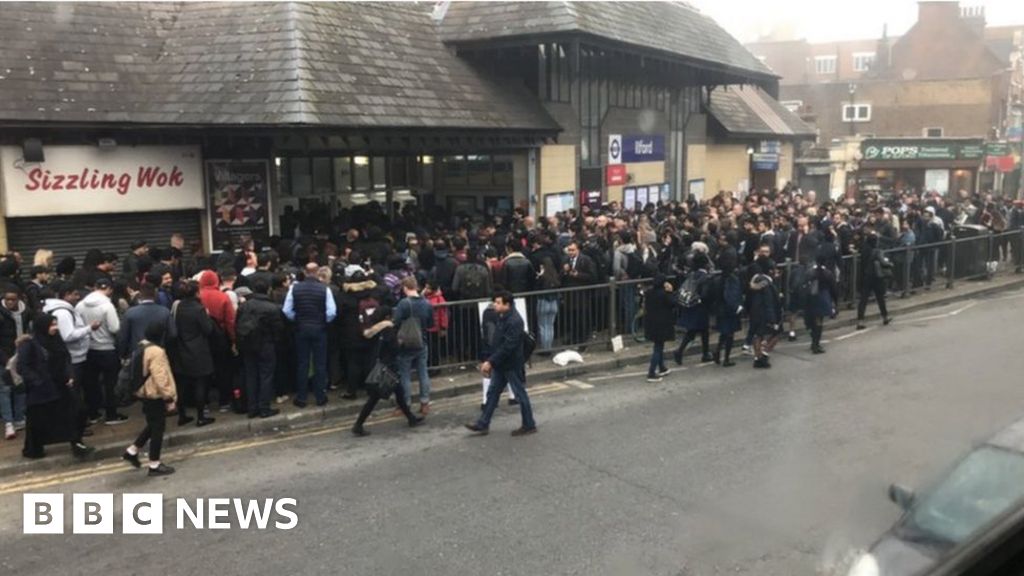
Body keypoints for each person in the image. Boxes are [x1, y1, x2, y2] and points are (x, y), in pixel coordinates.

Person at [19, 312, 94, 459]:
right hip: (42, 389)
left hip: (61, 385)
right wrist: (38, 381)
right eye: (52, 325)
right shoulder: (30, 344)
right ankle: (34, 449)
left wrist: (70, 375)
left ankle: (76, 443)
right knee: (38, 421)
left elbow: (66, 358)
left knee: (78, 411)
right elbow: (24, 368)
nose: (56, 328)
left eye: (55, 324)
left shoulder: (57, 341)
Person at [465, 291, 536, 437]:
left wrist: (490, 361)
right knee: (492, 393)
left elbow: (508, 346)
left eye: (498, 303)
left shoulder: (515, 321)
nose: (495, 305)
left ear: (507, 304)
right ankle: (483, 424)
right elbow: (497, 342)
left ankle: (529, 424)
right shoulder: (502, 316)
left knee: (520, 394)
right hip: (501, 364)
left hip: (511, 364)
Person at [351, 306, 425, 437]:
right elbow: (394, 349)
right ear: (387, 317)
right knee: (375, 397)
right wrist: (400, 343)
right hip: (388, 366)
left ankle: (411, 418)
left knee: (398, 393)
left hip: (376, 365)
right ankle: (358, 424)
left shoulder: (374, 330)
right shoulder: (388, 330)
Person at [42, 281, 98, 442]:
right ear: (66, 294)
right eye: (74, 294)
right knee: (73, 394)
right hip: (73, 358)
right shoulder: (63, 313)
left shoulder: (63, 310)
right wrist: (89, 329)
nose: (77, 297)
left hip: (75, 356)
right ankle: (76, 425)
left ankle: (78, 423)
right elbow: (68, 336)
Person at [121, 321, 177, 476]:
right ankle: (154, 464)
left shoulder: (142, 347)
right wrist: (168, 398)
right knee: (158, 428)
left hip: (144, 392)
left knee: (153, 424)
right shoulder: (157, 352)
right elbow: (160, 377)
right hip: (154, 394)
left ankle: (132, 451)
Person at [283, 262, 337, 408]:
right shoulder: (325, 289)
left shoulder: (294, 288)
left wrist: (298, 319)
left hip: (301, 329)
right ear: (318, 272)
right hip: (319, 329)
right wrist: (321, 321)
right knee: (320, 364)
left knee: (302, 364)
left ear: (305, 272)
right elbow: (331, 312)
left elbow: (287, 310)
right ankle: (320, 397)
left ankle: (301, 398)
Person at [76, 277, 127, 425]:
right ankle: (111, 414)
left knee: (91, 383)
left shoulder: (80, 305)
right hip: (107, 349)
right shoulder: (107, 305)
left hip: (88, 349)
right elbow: (115, 328)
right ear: (109, 289)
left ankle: (93, 413)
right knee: (110, 383)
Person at [236, 278, 284, 419]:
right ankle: (264, 408)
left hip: (248, 345)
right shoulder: (272, 308)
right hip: (266, 345)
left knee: (251, 376)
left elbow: (237, 324)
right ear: (267, 289)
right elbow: (278, 329)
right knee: (266, 376)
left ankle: (252, 408)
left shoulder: (244, 306)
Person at [171, 280, 216, 427]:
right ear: (197, 293)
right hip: (198, 350)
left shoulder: (178, 306)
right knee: (200, 384)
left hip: (181, 349)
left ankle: (182, 415)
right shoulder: (199, 309)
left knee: (182, 385)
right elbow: (208, 330)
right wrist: (208, 316)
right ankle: (201, 416)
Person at [198, 270, 237, 412]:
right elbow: (230, 321)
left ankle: (205, 403)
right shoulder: (223, 297)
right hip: (220, 338)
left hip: (202, 338)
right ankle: (224, 402)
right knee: (223, 370)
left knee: (204, 372)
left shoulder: (197, 297)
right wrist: (233, 339)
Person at [393, 276, 434, 414]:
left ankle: (406, 404)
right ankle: (425, 403)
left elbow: (396, 321)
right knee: (423, 372)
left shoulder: (404, 304)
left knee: (404, 375)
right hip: (422, 342)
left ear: (405, 288)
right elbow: (431, 324)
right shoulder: (427, 304)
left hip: (405, 343)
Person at [673, 251, 713, 366]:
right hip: (700, 306)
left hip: (690, 304)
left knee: (695, 330)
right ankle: (702, 353)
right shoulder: (705, 277)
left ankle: (701, 352)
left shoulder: (692, 274)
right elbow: (705, 294)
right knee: (701, 330)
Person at [479, 297, 517, 405]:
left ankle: (487, 401)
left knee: (488, 374)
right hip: (500, 348)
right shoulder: (505, 314)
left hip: (489, 348)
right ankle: (513, 396)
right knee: (509, 371)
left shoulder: (487, 312)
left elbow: (488, 332)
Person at [748, 256, 782, 369]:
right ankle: (762, 355)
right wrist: (772, 319)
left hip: (755, 311)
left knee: (758, 334)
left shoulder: (757, 280)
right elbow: (768, 301)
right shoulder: (767, 284)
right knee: (775, 333)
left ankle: (758, 357)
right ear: (770, 270)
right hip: (764, 313)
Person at [118, 284, 171, 355]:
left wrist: (122, 353)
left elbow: (123, 336)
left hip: (136, 352)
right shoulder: (165, 312)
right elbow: (172, 333)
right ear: (155, 295)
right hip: (159, 352)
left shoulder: (130, 312)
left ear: (140, 295)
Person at [857, 231, 893, 330]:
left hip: (865, 275)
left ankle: (860, 321)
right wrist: (890, 264)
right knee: (880, 297)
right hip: (876, 276)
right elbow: (883, 262)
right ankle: (885, 317)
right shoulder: (877, 251)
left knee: (863, 300)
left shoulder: (864, 249)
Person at [803, 254, 839, 354]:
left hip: (811, 298)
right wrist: (835, 302)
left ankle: (813, 337)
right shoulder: (828, 273)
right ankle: (816, 344)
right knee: (819, 322)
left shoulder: (810, 272)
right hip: (823, 298)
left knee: (811, 319)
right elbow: (833, 289)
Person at [643, 274, 676, 382]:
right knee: (658, 347)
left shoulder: (649, 293)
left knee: (659, 345)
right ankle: (651, 372)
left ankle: (662, 367)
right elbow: (673, 303)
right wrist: (670, 291)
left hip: (651, 323)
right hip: (662, 323)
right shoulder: (664, 294)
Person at [535, 256, 561, 352]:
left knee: (542, 325)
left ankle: (545, 348)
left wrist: (538, 277)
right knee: (550, 325)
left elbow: (537, 288)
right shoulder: (555, 275)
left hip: (543, 302)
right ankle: (549, 346)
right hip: (554, 302)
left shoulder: (542, 277)